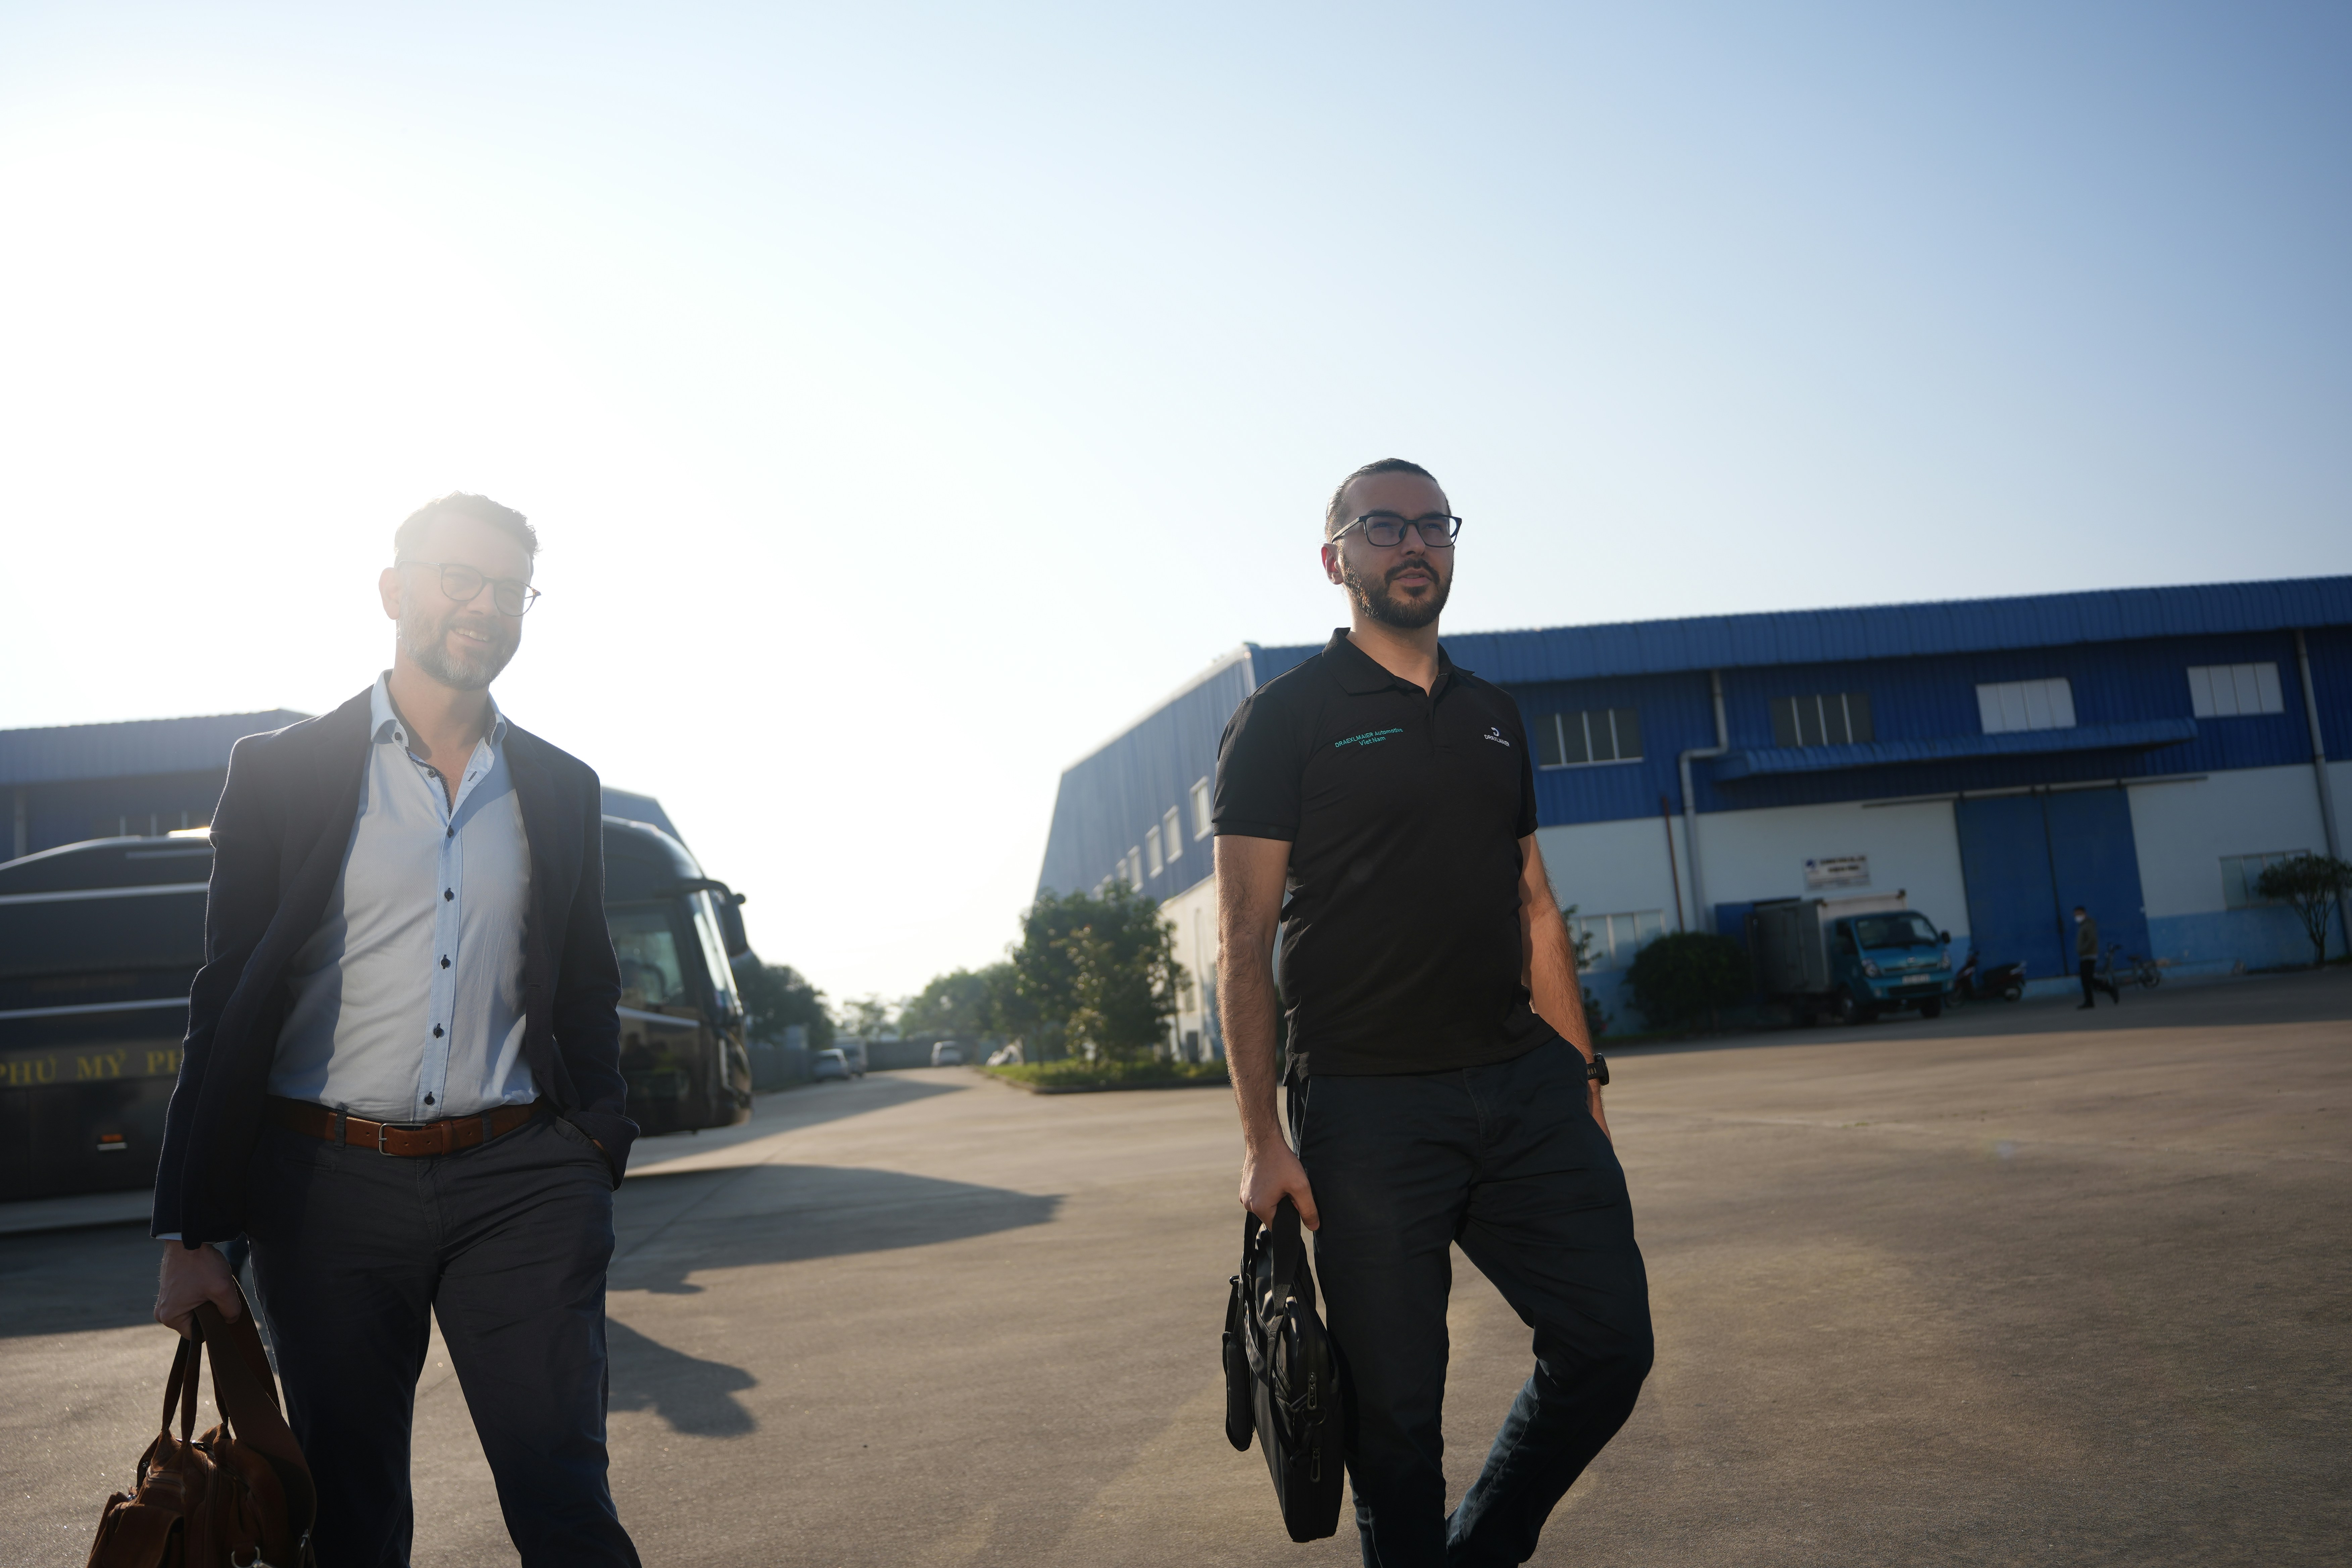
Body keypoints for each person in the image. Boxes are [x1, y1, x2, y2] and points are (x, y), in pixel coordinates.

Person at [150, 493, 643, 1568]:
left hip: (519, 1182)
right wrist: (191, 1234)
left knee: (563, 1487)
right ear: (395, 589)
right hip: (326, 1190)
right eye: (460, 579)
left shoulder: (560, 787)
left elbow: (584, 987)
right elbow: (226, 996)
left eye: (509, 590)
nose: (485, 606)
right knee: (348, 1512)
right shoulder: (283, 772)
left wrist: (595, 1136)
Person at [1215, 459, 1653, 1567]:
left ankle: (1480, 1550)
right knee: (1393, 1428)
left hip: (1521, 1085)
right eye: (1381, 527)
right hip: (1365, 1106)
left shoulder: (1494, 716)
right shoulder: (1283, 721)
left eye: (1431, 526)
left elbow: (1535, 908)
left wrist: (1583, 1080)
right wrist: (1263, 1139)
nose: (1412, 545)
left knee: (1607, 1347)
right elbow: (1241, 940)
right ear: (1336, 560)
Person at [2074, 905, 2120, 1008]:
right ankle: (2090, 1001)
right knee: (2087, 980)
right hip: (2085, 956)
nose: (2077, 917)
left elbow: (2092, 940)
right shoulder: (2083, 926)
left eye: (2079, 914)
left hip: (2089, 956)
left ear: (2084, 914)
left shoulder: (2088, 925)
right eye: (2076, 915)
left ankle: (2109, 990)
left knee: (2088, 980)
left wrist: (2082, 950)